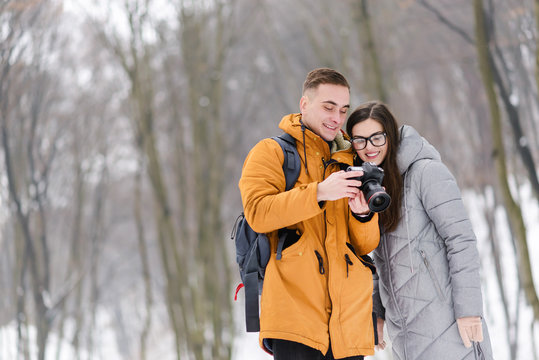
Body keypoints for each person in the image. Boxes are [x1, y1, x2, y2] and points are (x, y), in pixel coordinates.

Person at [238, 68, 381, 360]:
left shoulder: (352, 161)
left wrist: (363, 217)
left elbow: (365, 246)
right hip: (295, 318)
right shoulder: (271, 152)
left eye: (343, 110)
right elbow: (257, 212)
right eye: (328, 107)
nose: (337, 118)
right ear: (304, 104)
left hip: (349, 322)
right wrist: (318, 193)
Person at [346, 100, 494, 360]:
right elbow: (378, 260)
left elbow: (461, 240)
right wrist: (378, 313)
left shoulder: (426, 172)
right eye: (360, 140)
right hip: (404, 336)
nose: (369, 147)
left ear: (390, 135)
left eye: (376, 137)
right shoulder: (373, 192)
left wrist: (469, 310)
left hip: (448, 324)